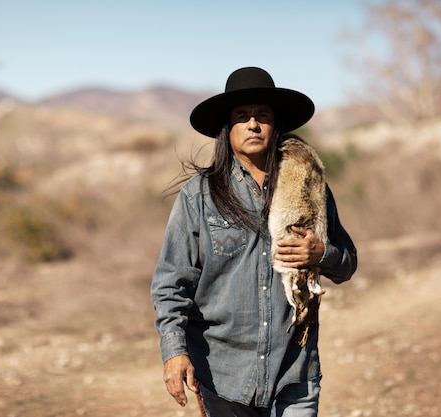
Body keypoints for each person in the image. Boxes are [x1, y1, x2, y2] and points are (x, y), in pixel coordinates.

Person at [151, 66, 357, 417]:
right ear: (227, 130)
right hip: (222, 374)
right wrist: (174, 351)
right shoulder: (200, 196)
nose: (253, 124)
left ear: (275, 126)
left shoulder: (310, 187)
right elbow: (171, 282)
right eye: (242, 117)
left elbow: (348, 262)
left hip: (294, 371)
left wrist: (321, 253)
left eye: (263, 116)